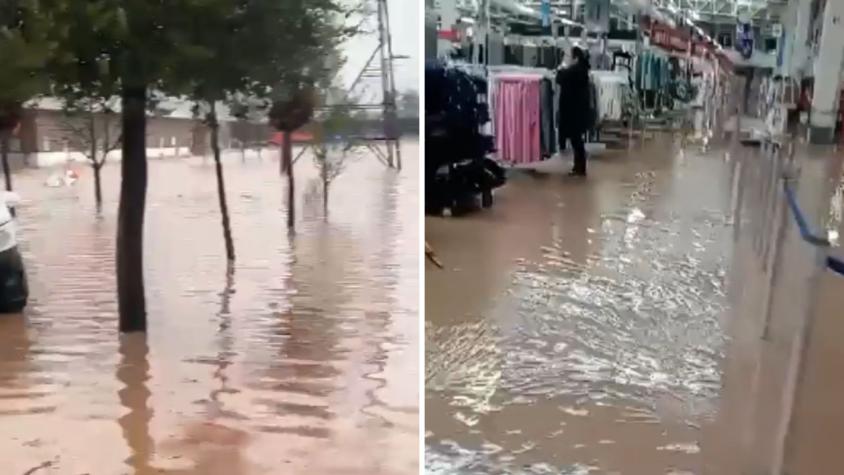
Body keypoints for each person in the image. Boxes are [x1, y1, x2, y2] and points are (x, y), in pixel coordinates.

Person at [556, 46, 592, 176]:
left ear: (575, 58)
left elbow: (560, 79)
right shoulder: (581, 70)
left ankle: (580, 168)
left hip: (574, 113)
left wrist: (561, 68)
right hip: (578, 112)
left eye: (568, 57)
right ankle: (579, 167)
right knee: (577, 140)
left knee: (576, 140)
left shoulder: (575, 71)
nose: (566, 59)